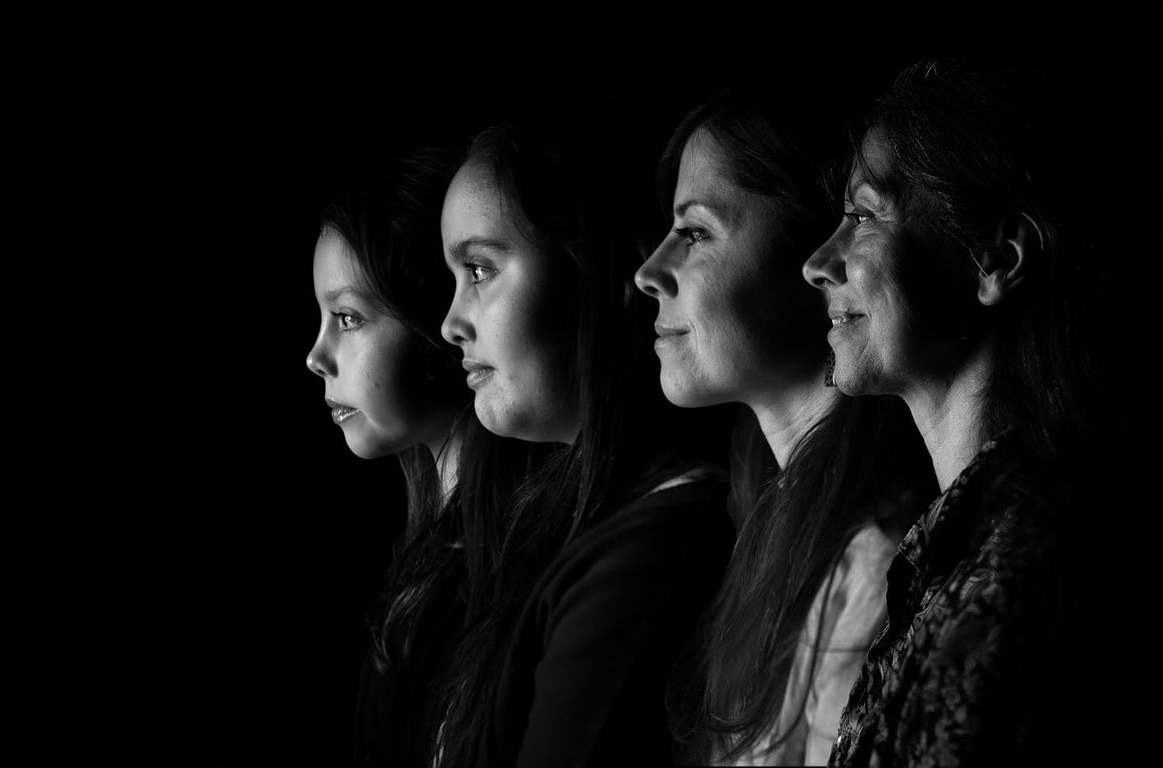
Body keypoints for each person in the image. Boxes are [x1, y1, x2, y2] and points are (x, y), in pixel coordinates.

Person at [802, 58, 1131, 766]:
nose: (817, 262)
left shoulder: (1024, 567)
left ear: (995, 259)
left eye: (861, 216)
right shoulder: (960, 552)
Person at [634, 77, 932, 765]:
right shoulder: (771, 523)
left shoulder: (878, 563)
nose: (650, 272)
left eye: (694, 232)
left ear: (816, 250)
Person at [431, 109, 734, 768]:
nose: (452, 321)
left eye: (479, 270)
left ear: (603, 271)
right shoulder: (542, 521)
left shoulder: (660, 539)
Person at [303, 148, 473, 766]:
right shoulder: (425, 549)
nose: (316, 356)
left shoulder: (494, 570)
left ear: (438, 321)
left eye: (348, 318)